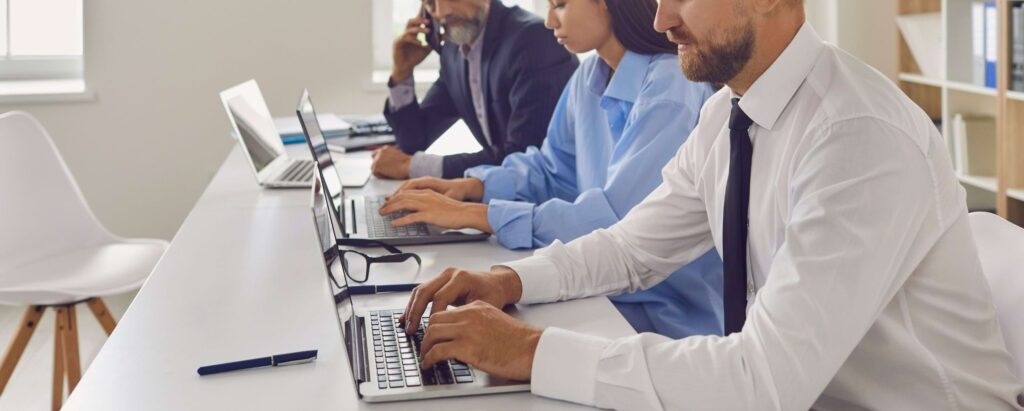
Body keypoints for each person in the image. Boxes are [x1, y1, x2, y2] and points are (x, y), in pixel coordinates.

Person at [395, 0, 1024, 409]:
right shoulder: (730, 111)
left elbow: (764, 380)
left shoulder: (855, 137)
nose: (663, 18)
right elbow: (632, 246)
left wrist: (529, 352)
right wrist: (506, 280)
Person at [379, 0, 722, 339]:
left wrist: (477, 214)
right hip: (601, 290)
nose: (548, 22)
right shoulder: (589, 75)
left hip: (665, 311)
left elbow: (617, 219)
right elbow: (551, 169)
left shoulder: (670, 87)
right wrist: (472, 186)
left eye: (560, 4)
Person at [373, 0, 577, 180]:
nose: (441, 11)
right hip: (508, 196)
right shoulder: (454, 51)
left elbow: (523, 155)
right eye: (430, 3)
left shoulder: (534, 40)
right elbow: (414, 141)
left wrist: (414, 166)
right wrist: (402, 73)